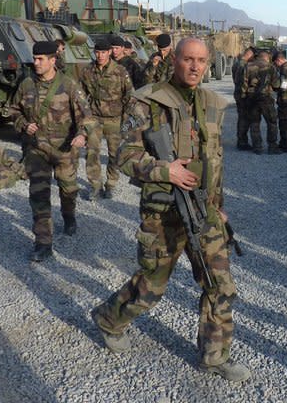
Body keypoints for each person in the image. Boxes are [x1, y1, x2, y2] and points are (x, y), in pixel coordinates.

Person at [90, 37, 250, 382]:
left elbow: (214, 163)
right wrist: (167, 171)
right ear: (174, 59)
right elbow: (125, 156)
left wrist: (218, 207)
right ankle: (108, 318)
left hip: (202, 211)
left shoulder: (210, 103)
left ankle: (214, 356)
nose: (194, 67)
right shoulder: (147, 101)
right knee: (152, 286)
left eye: (201, 61)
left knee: (219, 284)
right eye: (188, 59)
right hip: (163, 213)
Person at [8, 41, 92, 262]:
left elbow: (86, 115)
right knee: (39, 195)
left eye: (40, 59)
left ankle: (69, 215)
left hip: (65, 149)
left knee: (68, 189)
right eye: (34, 58)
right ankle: (43, 243)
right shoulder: (26, 84)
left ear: (52, 61)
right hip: (36, 149)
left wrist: (82, 135)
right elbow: (13, 110)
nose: (35, 63)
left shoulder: (69, 85)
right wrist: (24, 124)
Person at [79, 39, 133, 200]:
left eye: (103, 52)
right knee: (91, 152)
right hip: (94, 118)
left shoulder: (120, 71)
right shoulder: (88, 71)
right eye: (97, 52)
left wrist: (126, 119)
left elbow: (130, 96)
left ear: (109, 52)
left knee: (114, 154)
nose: (100, 56)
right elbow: (80, 94)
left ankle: (111, 184)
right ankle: (95, 185)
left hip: (115, 119)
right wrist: (84, 115)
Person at [240, 49, 280, 154]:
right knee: (271, 122)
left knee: (254, 123)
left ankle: (257, 147)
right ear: (266, 58)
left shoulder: (248, 66)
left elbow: (244, 84)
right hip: (266, 98)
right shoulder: (271, 67)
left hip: (252, 98)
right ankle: (272, 146)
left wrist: (244, 97)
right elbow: (276, 85)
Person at [232, 46, 255, 150]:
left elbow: (235, 79)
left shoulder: (236, 63)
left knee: (242, 117)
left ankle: (241, 141)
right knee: (244, 118)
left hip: (238, 93)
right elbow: (243, 82)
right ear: (250, 54)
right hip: (243, 95)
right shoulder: (244, 65)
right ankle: (242, 143)